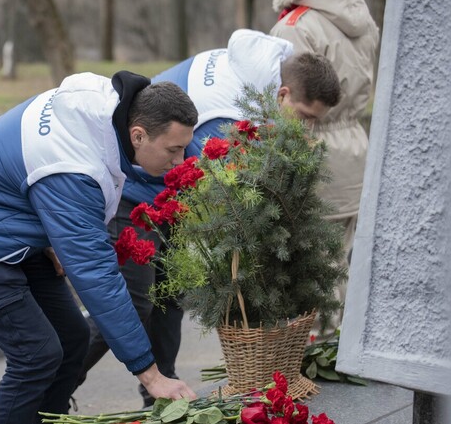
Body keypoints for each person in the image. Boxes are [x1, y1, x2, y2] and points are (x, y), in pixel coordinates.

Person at [75, 29, 342, 406]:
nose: (307, 129)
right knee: (131, 301)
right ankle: (55, 384)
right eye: (305, 117)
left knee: (169, 295)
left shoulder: (257, 71)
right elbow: (218, 197)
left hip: (162, 193)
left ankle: (161, 397)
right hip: (132, 192)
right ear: (282, 95)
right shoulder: (227, 119)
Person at [0, 71, 199, 424]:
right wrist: (151, 375)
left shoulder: (107, 113)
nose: (181, 159)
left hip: (10, 224)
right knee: (36, 354)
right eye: (174, 149)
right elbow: (97, 277)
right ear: (138, 135)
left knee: (72, 338)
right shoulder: (76, 166)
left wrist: (53, 235)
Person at [270, 0, 380, 333]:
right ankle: (338, 348)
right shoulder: (362, 19)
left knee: (307, 269)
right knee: (337, 263)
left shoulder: (297, 26)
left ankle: (314, 356)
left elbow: (285, 104)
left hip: (312, 151)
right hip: (355, 147)